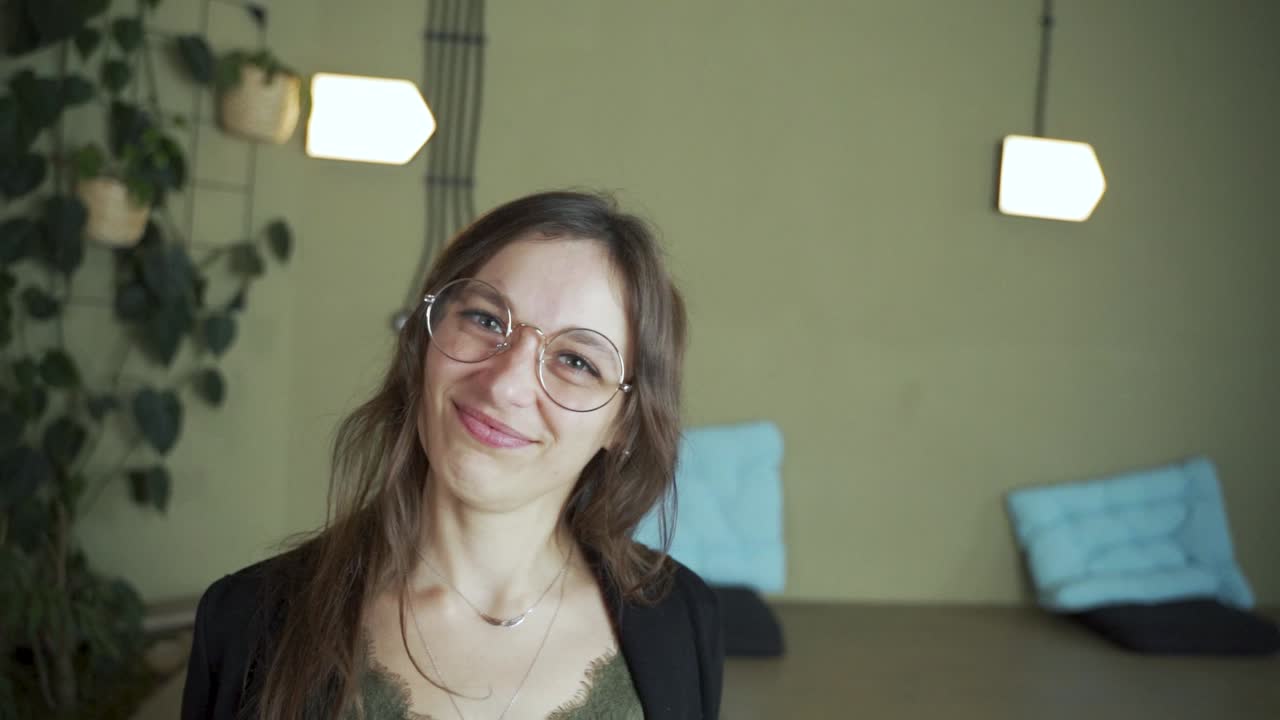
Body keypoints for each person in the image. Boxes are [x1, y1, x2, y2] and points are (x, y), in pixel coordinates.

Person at [180, 191, 724, 719]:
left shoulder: (682, 621)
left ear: (623, 423)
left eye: (577, 362)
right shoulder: (244, 622)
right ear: (426, 335)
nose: (505, 385)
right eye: (486, 320)